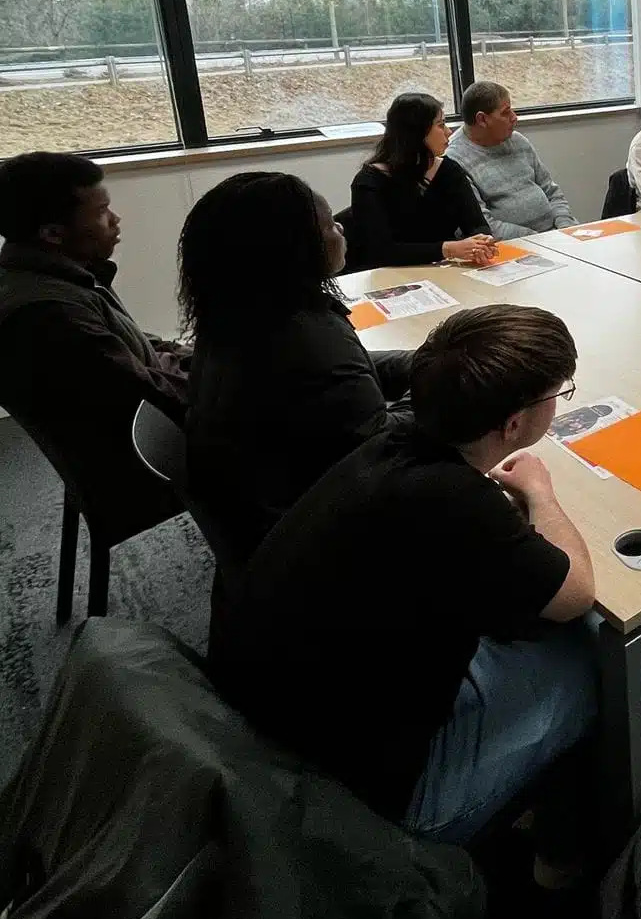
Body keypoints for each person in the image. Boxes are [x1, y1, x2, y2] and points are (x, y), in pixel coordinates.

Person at [209, 305, 598, 851]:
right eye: (558, 392)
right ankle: (567, 852)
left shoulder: (392, 444)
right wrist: (541, 492)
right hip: (373, 799)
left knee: (518, 633)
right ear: (513, 424)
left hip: (274, 738)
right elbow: (576, 593)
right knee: (598, 656)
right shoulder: (456, 503)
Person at [180, 172, 412, 565]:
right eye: (327, 225)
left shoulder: (242, 318)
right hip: (326, 548)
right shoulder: (306, 340)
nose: (340, 227)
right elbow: (386, 452)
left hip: (275, 516)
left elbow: (350, 379)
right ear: (292, 249)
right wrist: (451, 383)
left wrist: (420, 361)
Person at [0, 152, 188, 548]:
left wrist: (186, 354)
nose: (116, 220)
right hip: (142, 460)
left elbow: (130, 343)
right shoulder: (50, 316)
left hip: (138, 427)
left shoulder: (55, 276)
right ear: (52, 233)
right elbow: (149, 394)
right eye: (102, 211)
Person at [345, 92, 496, 270]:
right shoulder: (369, 182)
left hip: (443, 271)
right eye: (441, 125)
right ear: (416, 133)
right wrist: (448, 249)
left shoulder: (449, 170)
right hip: (391, 275)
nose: (449, 132)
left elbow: (476, 224)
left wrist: (482, 241)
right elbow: (380, 251)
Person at [445, 80, 573, 238]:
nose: (514, 118)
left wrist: (566, 227)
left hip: (555, 237)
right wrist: (540, 240)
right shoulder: (454, 160)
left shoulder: (518, 141)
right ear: (482, 120)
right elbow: (482, 226)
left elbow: (551, 191)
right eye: (505, 113)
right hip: (514, 247)